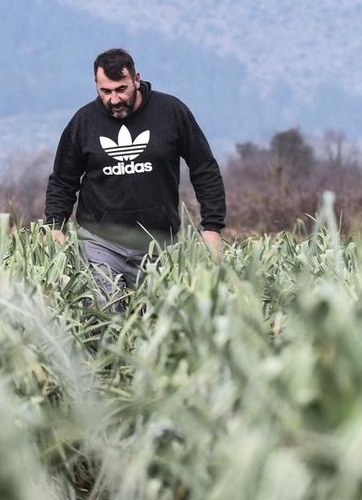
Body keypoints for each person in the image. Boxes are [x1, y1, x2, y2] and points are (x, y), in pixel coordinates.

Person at [44, 48, 226, 308]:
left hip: (159, 245)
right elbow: (63, 179)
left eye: (121, 89)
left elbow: (204, 168)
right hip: (100, 243)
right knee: (105, 318)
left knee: (159, 326)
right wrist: (54, 226)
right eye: (105, 92)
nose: (114, 99)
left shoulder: (171, 112)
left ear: (136, 80)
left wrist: (212, 228)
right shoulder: (84, 122)